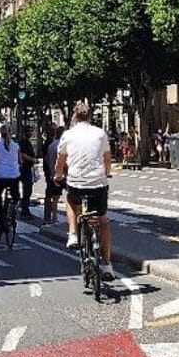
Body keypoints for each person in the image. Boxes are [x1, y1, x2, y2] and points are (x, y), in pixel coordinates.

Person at [55, 100, 114, 281]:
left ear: (74, 116)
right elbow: (107, 158)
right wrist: (107, 173)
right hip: (98, 183)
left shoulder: (68, 135)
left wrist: (58, 175)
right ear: (90, 116)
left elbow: (60, 160)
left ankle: (73, 233)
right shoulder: (100, 134)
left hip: (76, 183)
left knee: (70, 201)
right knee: (103, 221)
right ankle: (106, 264)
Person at [0, 125, 22, 240]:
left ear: (0, 134)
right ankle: (12, 212)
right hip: (13, 176)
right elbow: (20, 161)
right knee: (16, 196)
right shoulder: (16, 146)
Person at [42, 124, 63, 225]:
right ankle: (53, 217)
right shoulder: (59, 145)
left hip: (51, 173)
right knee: (55, 197)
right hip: (59, 174)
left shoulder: (50, 144)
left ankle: (49, 217)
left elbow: (46, 159)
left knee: (52, 196)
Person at [17, 127, 37, 219]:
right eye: (28, 131)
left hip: (28, 168)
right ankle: (24, 210)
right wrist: (32, 159)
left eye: (31, 131)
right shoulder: (24, 142)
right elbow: (22, 155)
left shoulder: (27, 142)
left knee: (28, 190)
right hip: (24, 169)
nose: (30, 133)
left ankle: (25, 208)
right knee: (27, 190)